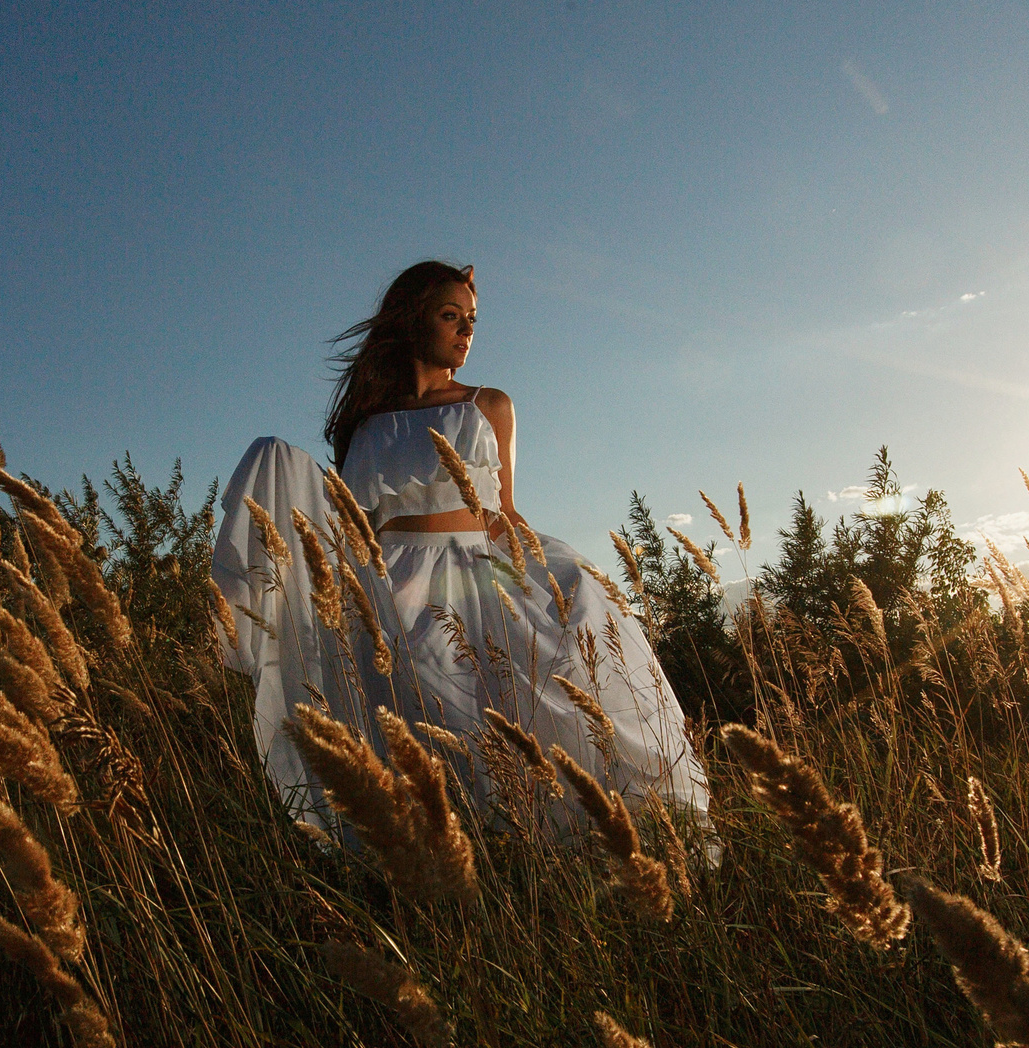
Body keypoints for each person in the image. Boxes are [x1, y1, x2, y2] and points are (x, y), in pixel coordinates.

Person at [213, 259, 709, 837]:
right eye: (451, 316)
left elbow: (504, 511)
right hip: (394, 586)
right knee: (422, 724)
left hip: (477, 575)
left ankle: (541, 846)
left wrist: (553, 579)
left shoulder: (488, 405)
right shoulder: (368, 423)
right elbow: (355, 527)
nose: (466, 330)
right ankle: (443, 856)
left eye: (471, 318)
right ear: (412, 321)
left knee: (507, 716)